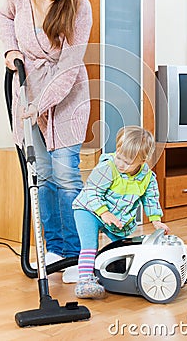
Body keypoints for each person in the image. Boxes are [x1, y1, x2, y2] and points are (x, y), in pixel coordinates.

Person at [0, 0, 92, 283]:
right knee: (42, 176)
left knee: (66, 175)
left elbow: (68, 68)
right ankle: (54, 247)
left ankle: (77, 255)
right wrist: (10, 51)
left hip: (67, 95)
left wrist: (39, 104)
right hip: (27, 90)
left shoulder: (79, 7)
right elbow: (5, 18)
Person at [72, 125, 170, 298]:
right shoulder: (108, 168)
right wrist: (103, 213)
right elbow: (92, 191)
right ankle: (86, 281)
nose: (120, 164)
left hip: (116, 217)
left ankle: (124, 276)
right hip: (89, 209)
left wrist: (156, 220)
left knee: (125, 247)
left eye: (127, 162)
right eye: (119, 156)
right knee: (90, 246)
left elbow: (151, 198)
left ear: (143, 160)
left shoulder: (147, 177)